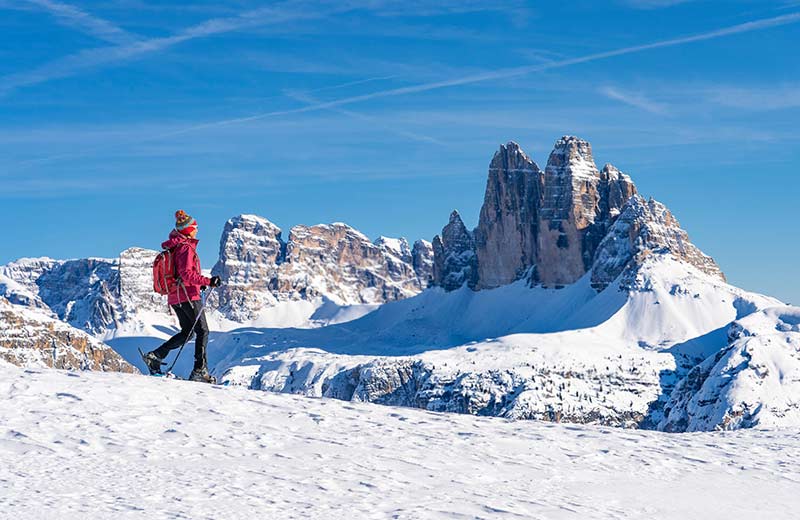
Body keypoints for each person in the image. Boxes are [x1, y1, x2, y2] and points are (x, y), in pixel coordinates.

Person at [143, 210, 221, 383]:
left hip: (176, 296)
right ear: (188, 230)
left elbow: (181, 273)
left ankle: (156, 356)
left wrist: (199, 283)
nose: (197, 229)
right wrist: (208, 281)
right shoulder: (185, 247)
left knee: (188, 332)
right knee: (202, 331)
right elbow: (186, 274)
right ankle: (199, 370)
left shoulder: (176, 246)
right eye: (195, 227)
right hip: (187, 295)